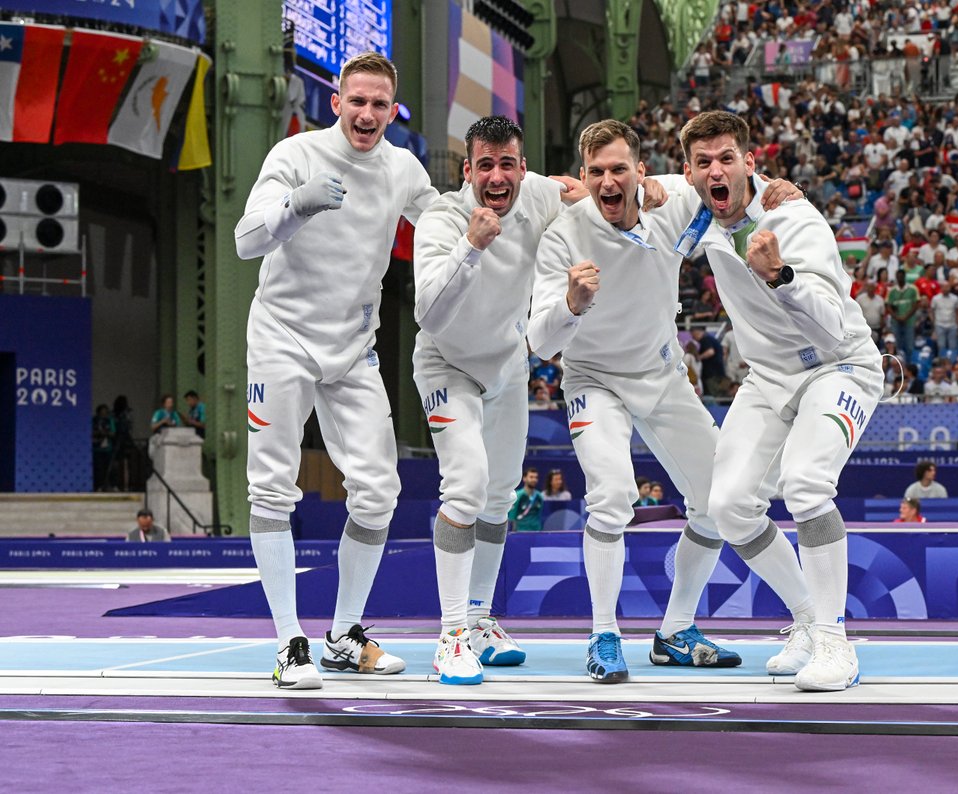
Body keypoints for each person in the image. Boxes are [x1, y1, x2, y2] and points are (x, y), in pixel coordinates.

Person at [528, 119, 760, 683]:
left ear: (641, 171)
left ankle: (675, 631)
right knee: (611, 495)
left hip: (661, 375)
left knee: (721, 500)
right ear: (583, 177)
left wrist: (778, 188)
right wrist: (572, 303)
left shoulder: (673, 199)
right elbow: (540, 341)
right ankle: (604, 635)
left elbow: (728, 177)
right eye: (597, 172)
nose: (609, 182)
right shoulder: (563, 235)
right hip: (592, 381)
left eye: (619, 170)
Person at [233, 52, 434, 689]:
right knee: (271, 487)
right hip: (282, 339)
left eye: (380, 104)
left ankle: (344, 634)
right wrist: (296, 204)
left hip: (352, 348)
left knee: (378, 490)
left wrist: (537, 204)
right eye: (358, 102)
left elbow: (448, 221)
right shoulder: (295, 156)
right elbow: (245, 240)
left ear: (392, 112)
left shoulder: (402, 167)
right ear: (337, 104)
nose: (368, 114)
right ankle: (290, 643)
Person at [674, 111, 885, 692]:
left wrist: (782, 275)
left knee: (806, 484)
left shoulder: (793, 215)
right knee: (730, 506)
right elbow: (627, 185)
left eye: (726, 158)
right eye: (702, 162)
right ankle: (807, 622)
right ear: (689, 172)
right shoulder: (695, 204)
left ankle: (836, 644)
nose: (715, 171)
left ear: (749, 160)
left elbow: (831, 325)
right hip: (769, 376)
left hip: (841, 365)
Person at [412, 115, 590, 684]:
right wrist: (470, 247)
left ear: (521, 166)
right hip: (447, 364)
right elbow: (429, 314)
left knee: (498, 496)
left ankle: (481, 620)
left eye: (506, 164)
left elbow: (611, 192)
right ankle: (450, 635)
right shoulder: (442, 219)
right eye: (484, 165)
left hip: (509, 365)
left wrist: (659, 187)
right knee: (464, 484)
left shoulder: (540, 194)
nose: (496, 176)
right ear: (467, 170)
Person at [92, 404, 116, 492]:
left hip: (107, 448)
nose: (104, 415)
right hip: (96, 449)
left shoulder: (110, 420)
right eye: (102, 413)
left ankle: (110, 485)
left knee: (109, 468)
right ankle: (98, 486)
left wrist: (105, 433)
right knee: (98, 469)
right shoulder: (93, 420)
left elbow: (113, 433)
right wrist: (98, 433)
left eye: (105, 413)